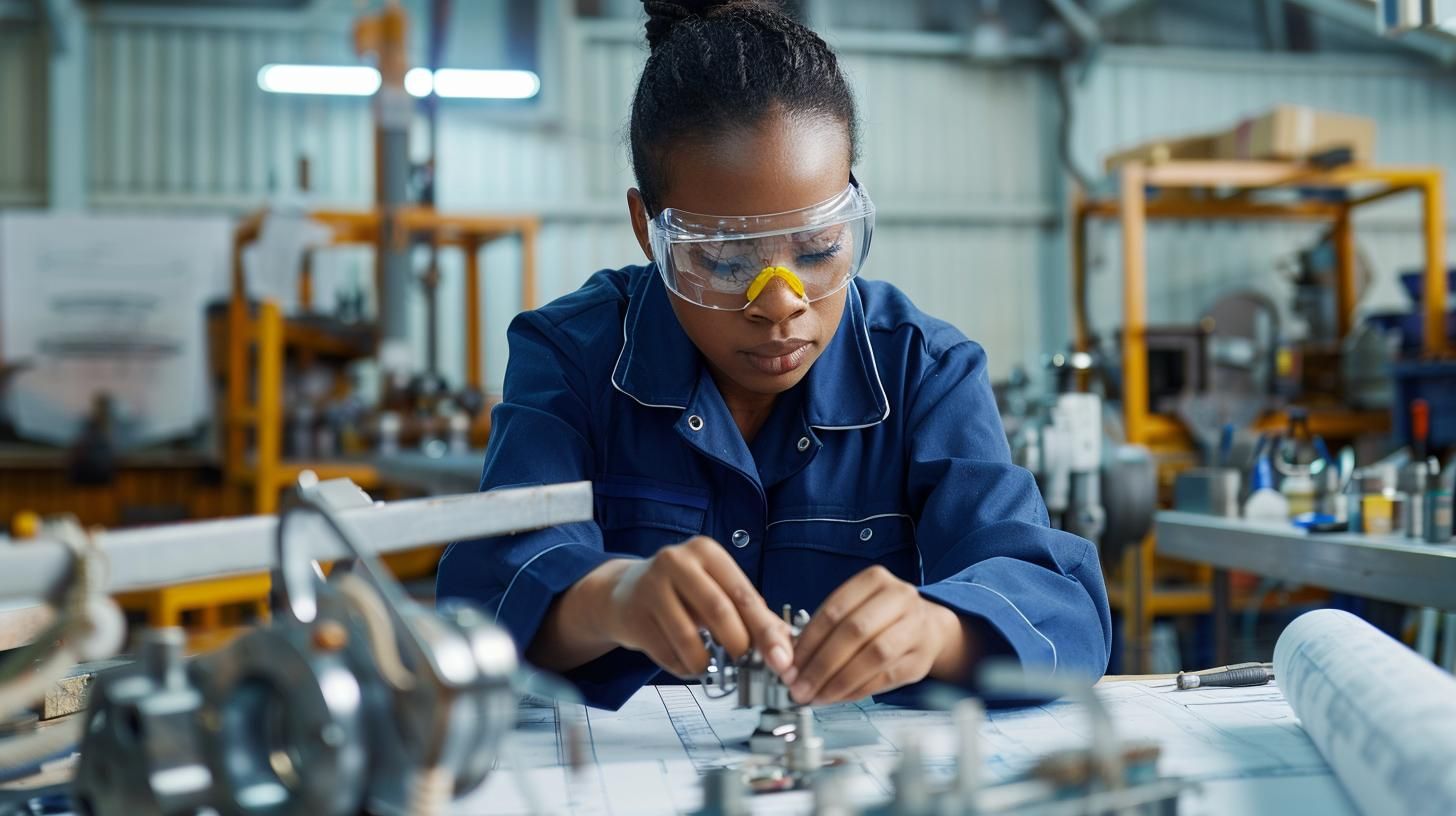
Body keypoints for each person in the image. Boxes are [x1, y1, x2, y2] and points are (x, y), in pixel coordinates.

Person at [437, 0, 1111, 710]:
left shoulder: (924, 370)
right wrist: (612, 597)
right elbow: (484, 597)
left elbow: (1059, 605)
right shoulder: (571, 359)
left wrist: (939, 630)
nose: (782, 302)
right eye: (726, 262)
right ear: (649, 231)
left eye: (819, 250)